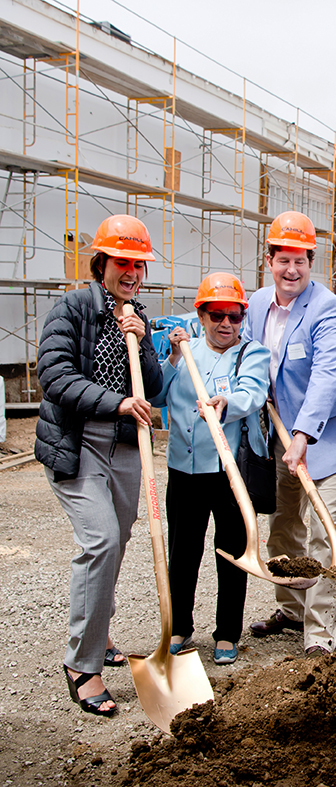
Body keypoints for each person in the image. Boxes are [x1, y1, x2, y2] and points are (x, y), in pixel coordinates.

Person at [35, 214, 163, 715]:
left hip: (126, 448)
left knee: (119, 540)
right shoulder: (72, 307)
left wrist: (142, 338)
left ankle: (98, 632)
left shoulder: (137, 315)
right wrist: (114, 404)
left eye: (139, 264)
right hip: (78, 443)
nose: (131, 273)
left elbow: (149, 385)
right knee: (101, 540)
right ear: (102, 263)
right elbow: (54, 374)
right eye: (122, 262)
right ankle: (81, 665)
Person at [244, 211, 336, 655]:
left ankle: (319, 633)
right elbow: (247, 358)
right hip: (281, 436)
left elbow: (327, 375)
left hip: (329, 437)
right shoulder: (257, 304)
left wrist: (302, 435)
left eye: (300, 261)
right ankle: (292, 609)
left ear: (310, 262)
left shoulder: (327, 308)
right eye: (284, 260)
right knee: (282, 527)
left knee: (323, 530)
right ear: (270, 260)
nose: (292, 270)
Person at [149, 273, 269, 666]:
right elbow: (157, 394)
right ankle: (180, 627)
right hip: (184, 468)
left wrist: (226, 403)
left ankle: (227, 633)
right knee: (183, 551)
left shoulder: (252, 352)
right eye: (216, 315)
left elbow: (253, 391)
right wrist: (171, 358)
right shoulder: (186, 351)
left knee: (232, 551)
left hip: (230, 468)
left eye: (234, 316)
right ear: (201, 315)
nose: (226, 324)